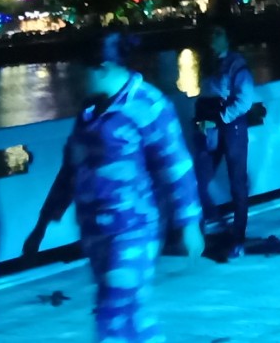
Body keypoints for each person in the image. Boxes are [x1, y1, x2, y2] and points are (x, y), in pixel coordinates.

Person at [24, 30, 203, 343]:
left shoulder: (148, 104)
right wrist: (43, 222)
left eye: (78, 70)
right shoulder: (88, 112)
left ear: (102, 68)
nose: (72, 79)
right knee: (133, 315)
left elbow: (176, 164)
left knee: (111, 313)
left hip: (134, 230)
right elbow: (71, 167)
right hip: (94, 232)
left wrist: (189, 223)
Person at [192, 20, 254, 259]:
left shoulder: (236, 64)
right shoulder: (207, 64)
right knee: (200, 178)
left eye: (218, 33)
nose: (213, 38)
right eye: (211, 34)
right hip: (210, 127)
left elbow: (244, 100)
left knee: (237, 183)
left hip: (231, 127)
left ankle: (238, 239)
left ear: (227, 38)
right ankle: (206, 231)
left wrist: (220, 117)